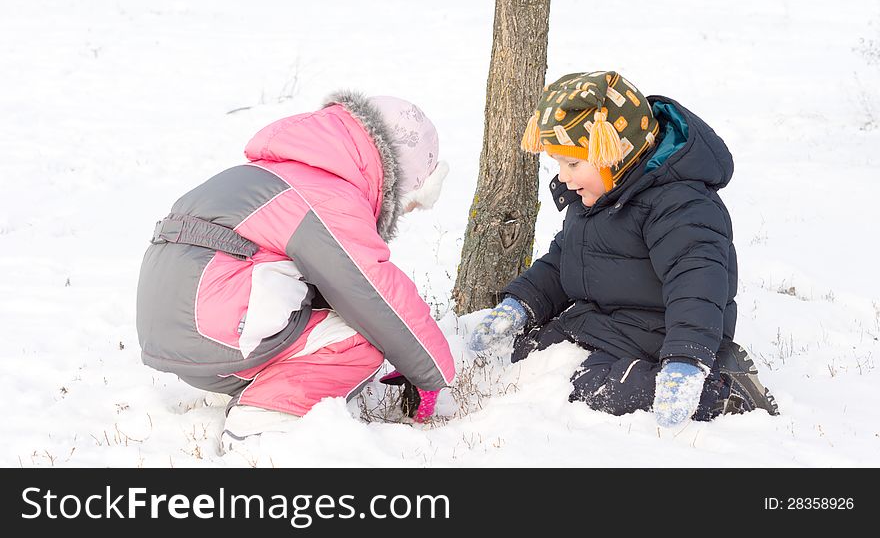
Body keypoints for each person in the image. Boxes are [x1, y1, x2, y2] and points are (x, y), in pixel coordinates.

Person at [136, 91, 454, 452]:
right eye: (408, 203)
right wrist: (431, 372)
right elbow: (372, 291)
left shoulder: (276, 172)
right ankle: (262, 419)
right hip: (212, 327)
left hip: (166, 324)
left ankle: (257, 381)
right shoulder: (327, 195)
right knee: (364, 337)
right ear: (395, 177)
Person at [469, 71, 779, 427]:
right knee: (528, 353)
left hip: (661, 335)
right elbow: (562, 261)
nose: (564, 177)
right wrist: (520, 303)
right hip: (604, 324)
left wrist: (685, 359)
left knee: (599, 389)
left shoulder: (679, 204)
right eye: (558, 163)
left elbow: (697, 284)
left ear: (616, 154)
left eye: (573, 163)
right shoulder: (594, 195)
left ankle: (725, 392)